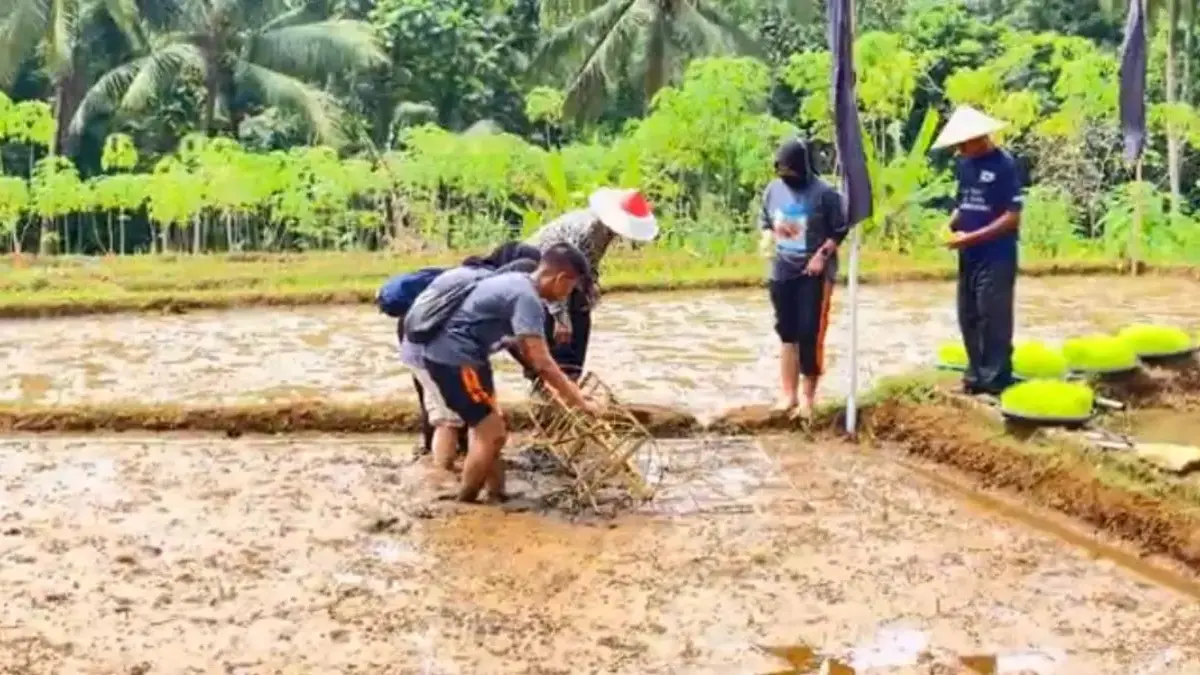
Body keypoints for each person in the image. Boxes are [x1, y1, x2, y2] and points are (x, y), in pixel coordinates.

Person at [422, 243, 602, 503]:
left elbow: (528, 353)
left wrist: (558, 388)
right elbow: (542, 361)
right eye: (570, 288)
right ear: (561, 278)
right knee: (491, 432)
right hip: (454, 359)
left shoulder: (518, 283)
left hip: (469, 357)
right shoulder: (526, 298)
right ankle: (466, 501)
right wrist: (580, 401)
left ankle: (497, 493)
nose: (567, 295)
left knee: (494, 425)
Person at [400, 242, 542, 470]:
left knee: (452, 414)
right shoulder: (495, 284)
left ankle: (452, 467)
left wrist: (530, 365)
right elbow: (513, 337)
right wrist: (535, 367)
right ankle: (441, 475)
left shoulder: (471, 273)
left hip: (419, 346)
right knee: (451, 420)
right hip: (436, 353)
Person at [933, 106, 1023, 396]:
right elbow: (964, 204)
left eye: (964, 142)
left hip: (997, 254)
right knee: (968, 313)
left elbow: (1012, 216)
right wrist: (949, 226)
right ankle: (975, 374)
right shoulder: (965, 165)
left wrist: (972, 237)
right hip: (969, 254)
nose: (960, 148)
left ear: (981, 136)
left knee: (992, 313)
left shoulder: (1005, 165)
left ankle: (996, 378)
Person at [525, 188, 658, 381]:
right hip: (538, 275)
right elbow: (557, 276)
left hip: (558, 277)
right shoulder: (588, 230)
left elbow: (586, 264)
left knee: (581, 312)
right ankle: (553, 385)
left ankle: (570, 379)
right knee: (560, 334)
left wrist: (591, 286)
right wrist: (561, 319)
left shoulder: (603, 230)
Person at [758, 138, 849, 418]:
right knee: (787, 332)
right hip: (782, 268)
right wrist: (766, 238)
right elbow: (765, 221)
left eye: (791, 172)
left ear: (803, 167)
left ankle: (808, 399)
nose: (787, 177)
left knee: (810, 333)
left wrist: (822, 255)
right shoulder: (773, 190)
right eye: (782, 172)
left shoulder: (825, 194)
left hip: (814, 271)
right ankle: (788, 395)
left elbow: (840, 228)